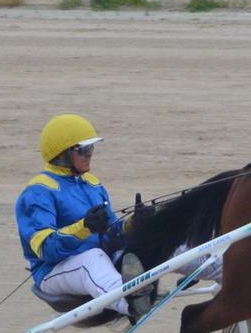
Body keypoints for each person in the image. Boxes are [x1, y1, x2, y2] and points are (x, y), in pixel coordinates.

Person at [15, 114, 150, 322]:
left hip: (98, 263)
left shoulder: (92, 184)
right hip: (53, 271)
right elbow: (46, 249)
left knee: (156, 234)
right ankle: (129, 301)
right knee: (91, 259)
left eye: (91, 148)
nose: (90, 155)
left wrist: (135, 224)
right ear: (63, 154)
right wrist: (84, 228)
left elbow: (113, 233)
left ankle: (215, 272)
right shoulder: (38, 192)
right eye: (83, 150)